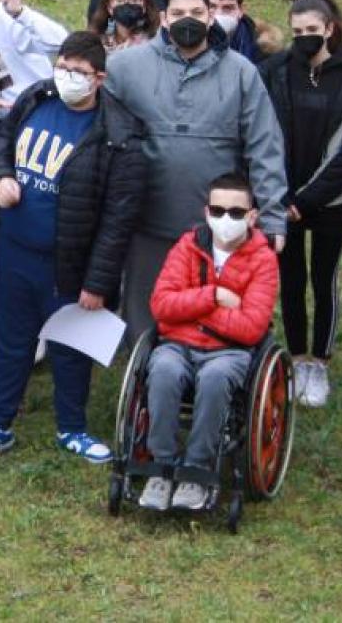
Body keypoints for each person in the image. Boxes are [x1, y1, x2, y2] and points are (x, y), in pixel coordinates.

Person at [0, 31, 143, 467]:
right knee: (11, 341)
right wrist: (1, 175)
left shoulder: (120, 135)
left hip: (70, 263)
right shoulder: (36, 99)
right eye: (62, 68)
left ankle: (72, 427)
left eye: (78, 72)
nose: (67, 77)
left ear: (99, 78)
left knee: (71, 347)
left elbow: (118, 222)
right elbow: (1, 139)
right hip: (15, 253)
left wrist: (98, 282)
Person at [103, 0, 288, 335]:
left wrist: (274, 215)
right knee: (144, 316)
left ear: (210, 17)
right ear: (164, 19)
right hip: (147, 220)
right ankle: (144, 382)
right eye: (179, 13)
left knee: (209, 315)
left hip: (218, 226)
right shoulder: (125, 67)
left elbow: (265, 146)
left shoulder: (240, 72)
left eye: (197, 12)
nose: (188, 19)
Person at [137, 172, 279, 512]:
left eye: (235, 212)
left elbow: (250, 328)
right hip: (178, 345)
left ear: (252, 217)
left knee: (215, 378)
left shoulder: (264, 260)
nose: (225, 219)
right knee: (164, 370)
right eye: (217, 211)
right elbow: (160, 306)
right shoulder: (186, 247)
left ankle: (197, 469)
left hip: (230, 352)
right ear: (206, 213)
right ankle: (163, 466)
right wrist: (212, 296)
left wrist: (190, 309)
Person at [257, 0, 342, 407]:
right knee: (290, 280)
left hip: (329, 203)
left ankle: (318, 362)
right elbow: (262, 135)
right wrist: (281, 196)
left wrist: (306, 200)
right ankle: (296, 355)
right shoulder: (273, 72)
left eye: (312, 30)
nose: (305, 37)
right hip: (279, 198)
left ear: (329, 29)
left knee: (324, 279)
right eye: (297, 31)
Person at [205, 0, 280, 65]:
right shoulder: (188, 45)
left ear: (241, 10)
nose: (218, 15)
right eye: (212, 7)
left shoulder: (263, 49)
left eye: (227, 8)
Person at [88, 0, 158, 53]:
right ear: (109, 8)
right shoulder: (95, 45)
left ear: (145, 6)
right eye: (119, 0)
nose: (127, 3)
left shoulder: (156, 42)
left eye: (134, 0)